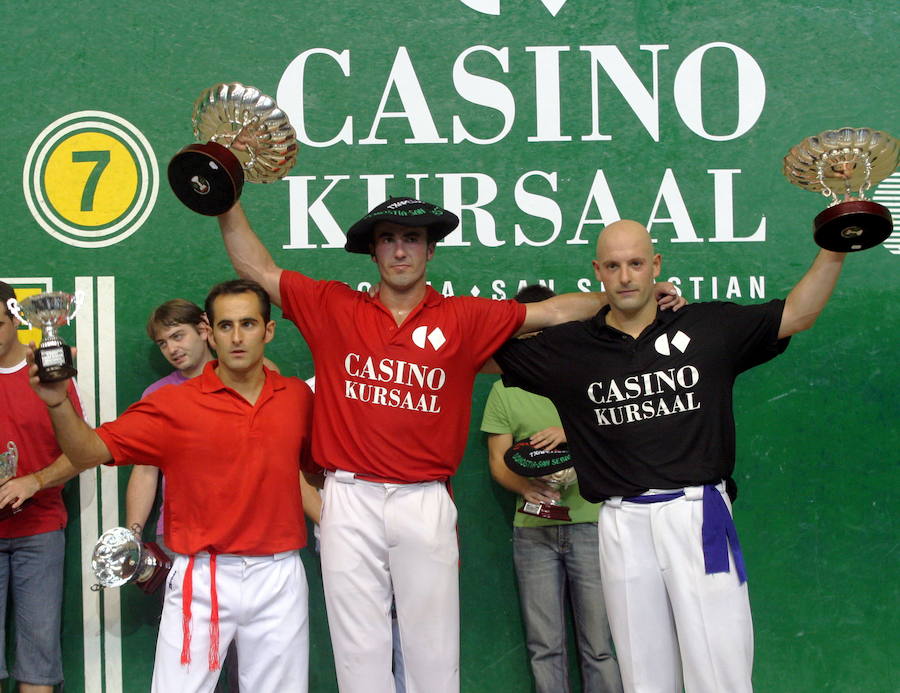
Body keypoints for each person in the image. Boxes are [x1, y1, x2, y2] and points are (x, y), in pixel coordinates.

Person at [214, 197, 684, 693]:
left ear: (430, 250)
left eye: (412, 239)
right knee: (358, 657)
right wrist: (227, 204)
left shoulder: (463, 317)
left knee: (433, 656)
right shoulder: (333, 306)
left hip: (424, 499)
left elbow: (553, 311)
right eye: (388, 239)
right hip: (348, 500)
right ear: (372, 252)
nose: (400, 251)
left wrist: (637, 297)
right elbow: (258, 269)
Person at [492, 219, 849, 693]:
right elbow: (478, 347)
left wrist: (837, 247)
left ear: (656, 265)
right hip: (620, 523)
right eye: (614, 267)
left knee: (719, 669)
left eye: (636, 264)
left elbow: (799, 313)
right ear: (597, 271)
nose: (625, 277)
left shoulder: (706, 327)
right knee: (643, 676)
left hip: (697, 515)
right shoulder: (572, 349)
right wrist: (594, 305)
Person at [18, 279, 316, 693]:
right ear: (211, 330)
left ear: (268, 331)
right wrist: (57, 402)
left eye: (248, 324)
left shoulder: (298, 397)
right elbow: (87, 451)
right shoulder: (170, 404)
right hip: (202, 575)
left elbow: (310, 475)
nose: (237, 336)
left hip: (280, 573)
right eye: (226, 325)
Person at [481, 284, 622, 693]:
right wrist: (527, 485)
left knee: (599, 646)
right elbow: (498, 463)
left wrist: (572, 435)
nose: (534, 338)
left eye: (542, 327)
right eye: (525, 330)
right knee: (545, 648)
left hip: (592, 525)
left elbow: (620, 434)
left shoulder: (587, 378)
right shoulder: (502, 389)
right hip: (533, 532)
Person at [0, 282, 84, 693]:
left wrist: (35, 481)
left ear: (15, 320)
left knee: (39, 659)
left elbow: (82, 451)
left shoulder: (47, 372)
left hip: (41, 530)